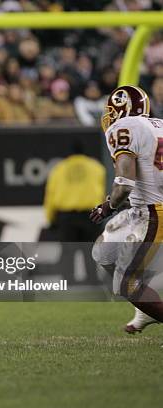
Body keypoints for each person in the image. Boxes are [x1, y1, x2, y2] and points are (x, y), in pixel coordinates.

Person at [89, 85, 163, 334]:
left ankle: (142, 293)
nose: (108, 116)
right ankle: (145, 305)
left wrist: (108, 206)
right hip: (142, 209)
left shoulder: (124, 127)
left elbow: (124, 184)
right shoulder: (158, 125)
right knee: (103, 253)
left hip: (154, 211)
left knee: (126, 283)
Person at [44, 140, 106, 242]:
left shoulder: (59, 168)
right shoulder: (96, 168)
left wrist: (50, 218)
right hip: (91, 216)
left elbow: (50, 195)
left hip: (66, 218)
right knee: (90, 253)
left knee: (68, 253)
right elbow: (102, 193)